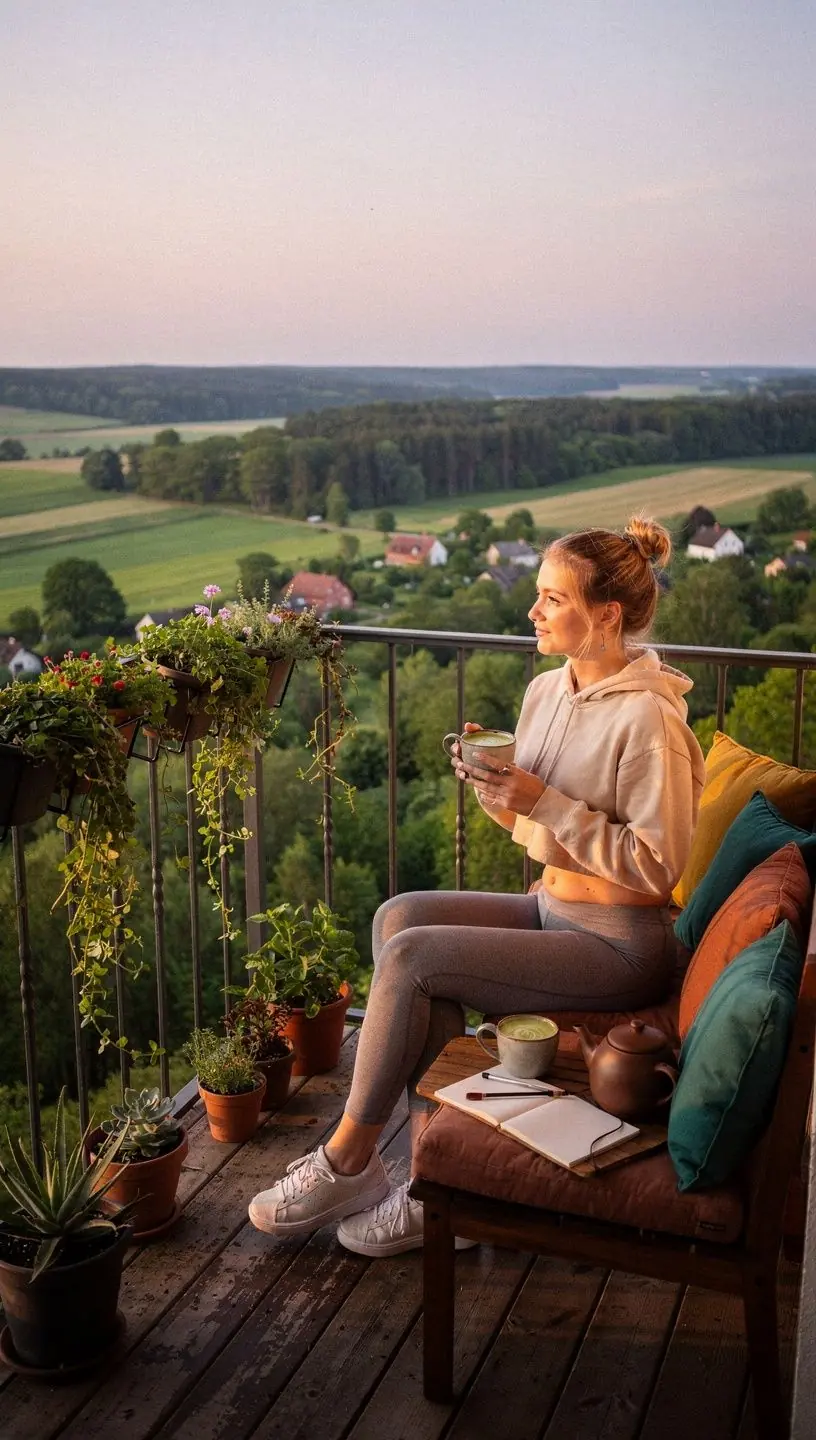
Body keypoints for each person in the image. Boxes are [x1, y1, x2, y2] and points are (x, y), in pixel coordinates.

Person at [248, 515, 705, 1256]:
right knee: (400, 918)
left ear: (608, 615)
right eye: (539, 595)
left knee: (412, 960)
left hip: (621, 943)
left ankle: (348, 1158)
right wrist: (496, 792)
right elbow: (538, 827)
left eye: (553, 599)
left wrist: (540, 801)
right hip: (554, 906)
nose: (533, 612)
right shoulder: (547, 692)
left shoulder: (649, 720)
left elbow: (658, 865)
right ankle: (440, 1175)